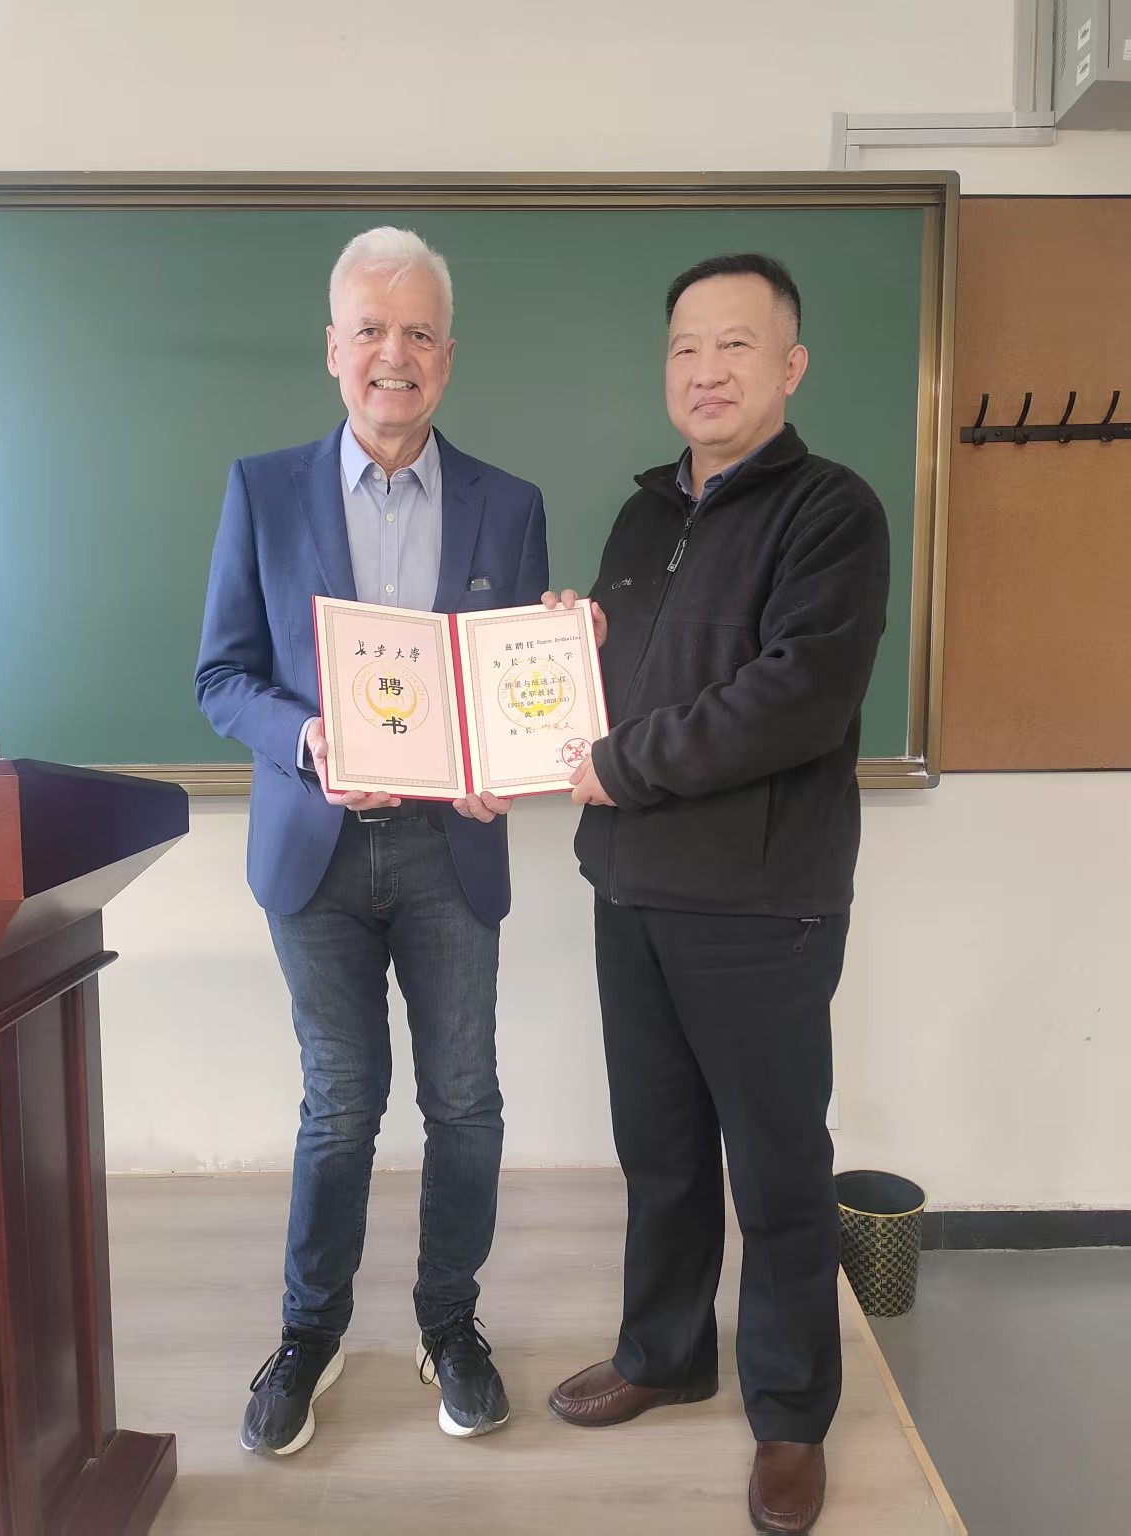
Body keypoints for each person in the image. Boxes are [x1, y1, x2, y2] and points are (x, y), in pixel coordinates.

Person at [544, 253, 889, 1535]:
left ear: (789, 366)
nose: (706, 371)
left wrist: (622, 764)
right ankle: (665, 1353)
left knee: (779, 1170)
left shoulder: (833, 512)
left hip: (760, 904)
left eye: (735, 346)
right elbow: (623, 686)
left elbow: (794, 697)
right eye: (686, 347)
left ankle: (790, 1414)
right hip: (629, 888)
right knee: (662, 1152)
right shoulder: (644, 517)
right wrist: (562, 652)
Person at [195, 226, 548, 1454]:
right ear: (333, 349)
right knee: (340, 1108)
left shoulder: (511, 504)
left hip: (453, 853)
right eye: (370, 330)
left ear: (447, 356)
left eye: (419, 333)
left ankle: (450, 1324)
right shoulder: (262, 490)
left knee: (466, 1103)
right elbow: (222, 678)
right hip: (317, 854)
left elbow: (513, 689)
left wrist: (514, 754)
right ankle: (311, 1332)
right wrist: (310, 742)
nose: (394, 354)